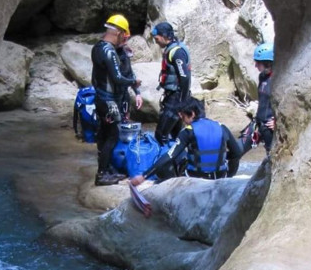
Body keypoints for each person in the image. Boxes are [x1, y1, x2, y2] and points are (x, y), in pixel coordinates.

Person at [130, 97, 242, 186]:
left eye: (183, 117)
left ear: (192, 114)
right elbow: (237, 152)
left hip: (196, 179)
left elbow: (170, 156)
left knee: (176, 155)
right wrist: (225, 165)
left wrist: (144, 176)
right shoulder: (221, 127)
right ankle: (228, 179)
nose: (183, 121)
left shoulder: (189, 131)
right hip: (220, 177)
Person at [91, 13, 143, 186]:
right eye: (124, 35)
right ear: (119, 32)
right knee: (112, 135)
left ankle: (106, 168)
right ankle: (102, 173)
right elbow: (118, 78)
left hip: (100, 98)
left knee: (104, 135)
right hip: (108, 100)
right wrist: (134, 83)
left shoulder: (98, 47)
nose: (124, 39)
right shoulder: (109, 51)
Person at [150, 21, 191, 146]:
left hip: (176, 98)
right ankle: (177, 163)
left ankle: (163, 162)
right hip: (172, 96)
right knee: (176, 135)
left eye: (156, 38)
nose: (155, 41)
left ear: (164, 36)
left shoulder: (176, 52)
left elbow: (184, 76)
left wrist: (182, 101)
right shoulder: (171, 49)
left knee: (161, 134)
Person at [240, 42, 276, 154]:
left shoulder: (277, 78)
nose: (255, 66)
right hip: (259, 122)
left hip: (269, 126)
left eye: (258, 63)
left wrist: (277, 122)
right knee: (237, 149)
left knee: (271, 155)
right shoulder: (263, 77)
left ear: (267, 63)